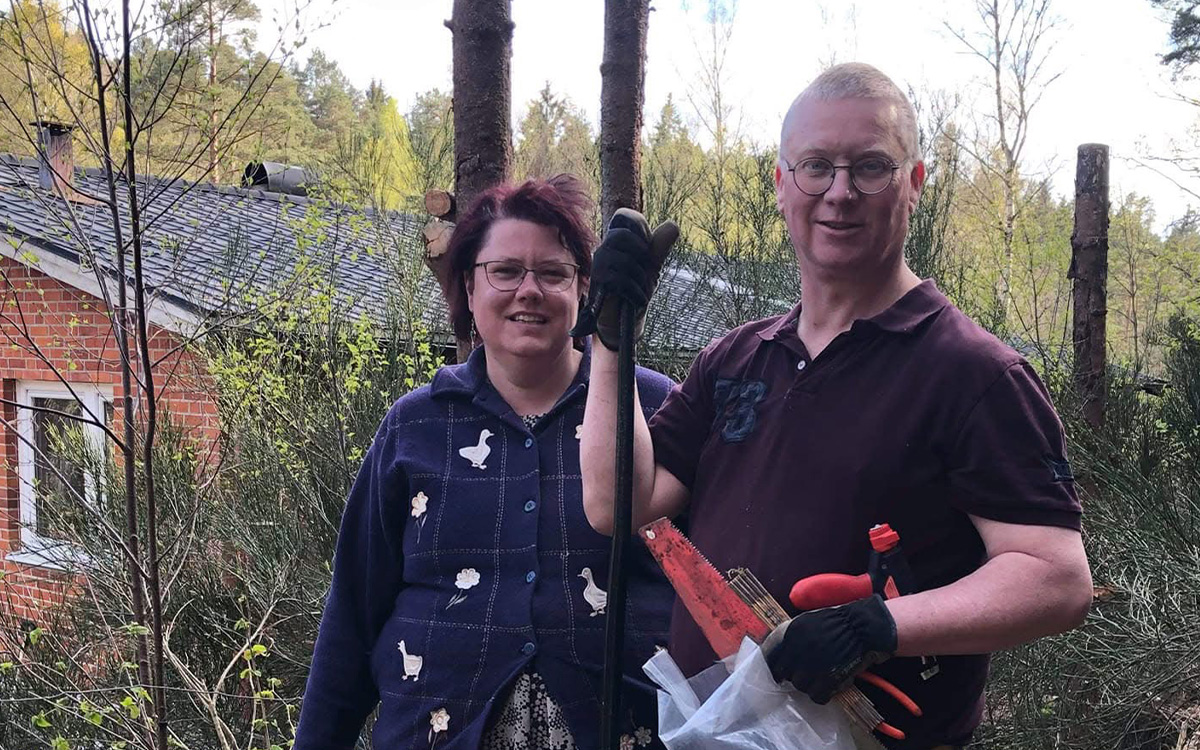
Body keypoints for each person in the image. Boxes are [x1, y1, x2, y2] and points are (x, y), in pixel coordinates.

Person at [578, 63, 1093, 750]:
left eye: (871, 167)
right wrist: (611, 334)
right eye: (816, 166)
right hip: (716, 733)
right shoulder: (735, 358)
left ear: (913, 185)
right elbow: (619, 504)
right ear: (782, 184)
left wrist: (879, 627)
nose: (840, 193)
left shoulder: (974, 374)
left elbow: (1055, 579)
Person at [295, 175, 676, 750]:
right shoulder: (415, 426)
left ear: (585, 292)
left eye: (553, 273)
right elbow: (352, 613)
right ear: (468, 290)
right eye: (505, 271)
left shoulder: (651, 407)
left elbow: (717, 575)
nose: (530, 291)